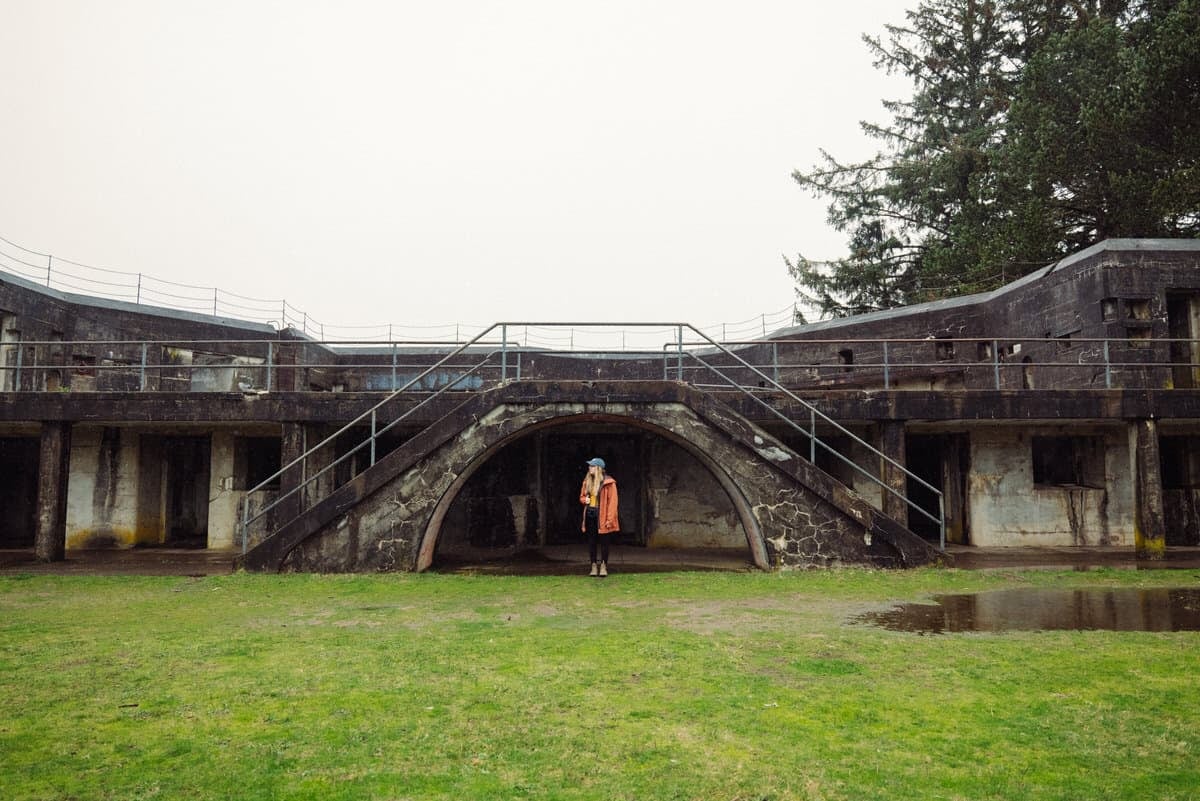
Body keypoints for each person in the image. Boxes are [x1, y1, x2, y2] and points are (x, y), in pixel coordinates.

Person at [579, 457, 618, 577]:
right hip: (590, 514)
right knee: (592, 542)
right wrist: (584, 500)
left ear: (598, 468)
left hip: (603, 516)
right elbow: (581, 497)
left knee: (604, 542)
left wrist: (610, 519)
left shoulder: (609, 483)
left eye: (592, 466)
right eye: (589, 466)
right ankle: (593, 566)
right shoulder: (587, 481)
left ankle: (604, 566)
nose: (589, 468)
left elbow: (613, 503)